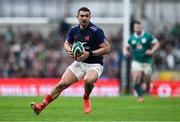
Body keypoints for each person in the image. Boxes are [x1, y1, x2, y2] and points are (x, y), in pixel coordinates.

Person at [31, 7, 110, 115]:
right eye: (82, 16)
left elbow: (107, 49)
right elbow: (67, 44)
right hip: (80, 63)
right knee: (61, 84)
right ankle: (41, 106)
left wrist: (90, 53)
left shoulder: (97, 31)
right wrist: (70, 51)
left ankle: (86, 97)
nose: (84, 18)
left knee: (88, 80)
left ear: (90, 17)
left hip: (94, 64)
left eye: (87, 16)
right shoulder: (74, 30)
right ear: (77, 17)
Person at [123, 21, 160, 103]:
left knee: (147, 78)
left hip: (147, 61)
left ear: (142, 27)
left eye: (139, 27)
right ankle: (140, 96)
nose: (137, 29)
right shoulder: (132, 38)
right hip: (137, 61)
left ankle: (147, 87)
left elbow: (157, 44)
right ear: (134, 28)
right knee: (136, 78)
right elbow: (126, 47)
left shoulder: (148, 36)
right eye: (136, 27)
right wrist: (126, 52)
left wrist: (152, 51)